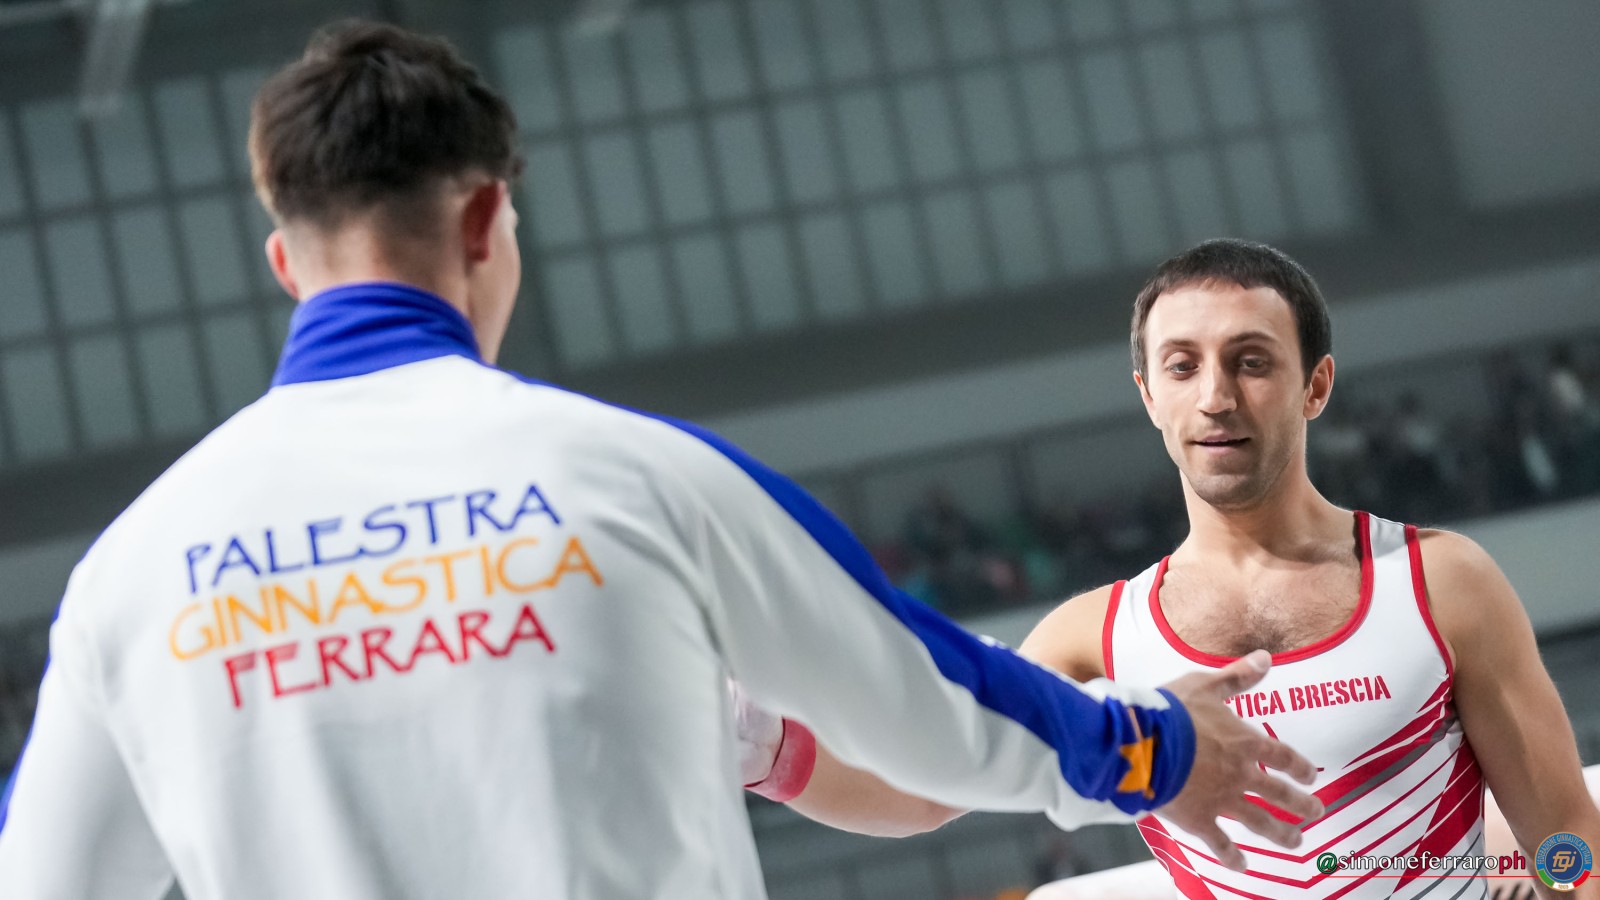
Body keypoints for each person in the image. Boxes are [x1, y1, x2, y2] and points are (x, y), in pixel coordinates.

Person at [0, 25, 1320, 900]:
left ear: (286, 266)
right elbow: (926, 703)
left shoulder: (131, 575)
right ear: (486, 219)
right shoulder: (631, 480)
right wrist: (1151, 749)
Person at [739, 240, 1600, 898]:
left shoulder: (1442, 583)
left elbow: (1566, 837)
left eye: (1251, 361)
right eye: (1182, 366)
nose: (1216, 397)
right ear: (1149, 395)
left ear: (1316, 385)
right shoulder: (1091, 640)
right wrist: (766, 747)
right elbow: (926, 789)